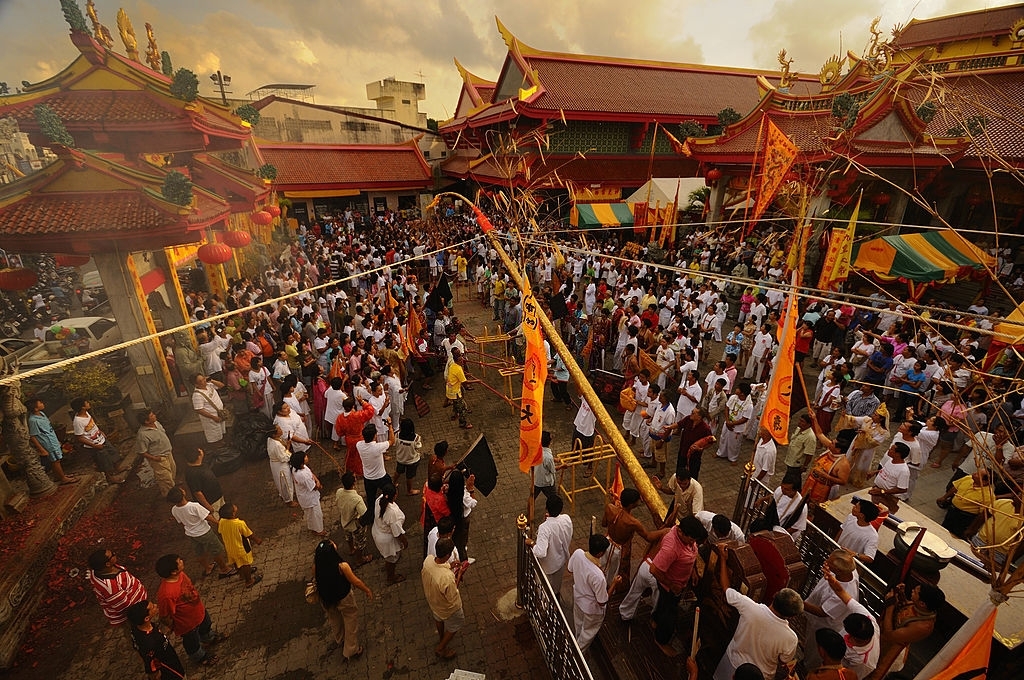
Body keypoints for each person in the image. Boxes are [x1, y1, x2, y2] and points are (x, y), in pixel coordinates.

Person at [713, 542, 802, 680]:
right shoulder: (791, 638)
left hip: (733, 663)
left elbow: (726, 589)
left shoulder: (749, 607)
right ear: (792, 616)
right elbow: (783, 660)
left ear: (774, 596)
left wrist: (723, 559)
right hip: (761, 675)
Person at [649, 516, 707, 656]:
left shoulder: (687, 539)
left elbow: (692, 553)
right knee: (670, 614)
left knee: (664, 604)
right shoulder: (671, 548)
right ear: (681, 532)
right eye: (691, 539)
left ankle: (655, 620)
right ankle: (661, 640)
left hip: (679, 583)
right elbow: (654, 569)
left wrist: (693, 571)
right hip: (670, 585)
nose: (693, 543)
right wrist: (672, 585)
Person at [154, 554, 224, 667]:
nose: (182, 561)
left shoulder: (181, 574)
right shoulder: (166, 594)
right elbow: (164, 616)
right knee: (192, 642)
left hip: (199, 611)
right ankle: (199, 657)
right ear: (173, 572)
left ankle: (209, 638)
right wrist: (174, 626)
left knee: (205, 625)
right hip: (187, 625)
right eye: (179, 561)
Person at [866, 584, 944, 680]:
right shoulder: (920, 607)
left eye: (915, 592)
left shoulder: (923, 627)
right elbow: (906, 608)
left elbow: (889, 635)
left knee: (873, 671)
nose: (912, 590)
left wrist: (889, 605)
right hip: (882, 634)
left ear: (922, 604)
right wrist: (902, 595)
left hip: (890, 646)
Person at [313, 539, 373, 661]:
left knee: (334, 619)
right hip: (343, 598)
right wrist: (367, 590)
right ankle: (351, 649)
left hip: (327, 599)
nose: (334, 544)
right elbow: (355, 581)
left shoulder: (316, 566)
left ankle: (341, 639)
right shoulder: (342, 566)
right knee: (350, 619)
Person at [601, 488, 669, 589]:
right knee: (613, 574)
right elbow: (648, 537)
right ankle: (608, 590)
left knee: (602, 567)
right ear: (631, 505)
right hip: (618, 551)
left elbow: (604, 524)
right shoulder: (633, 522)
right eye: (637, 501)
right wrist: (664, 531)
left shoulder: (610, 507)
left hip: (606, 542)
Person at [567, 534, 621, 653]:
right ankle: (577, 653)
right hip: (591, 609)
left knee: (579, 624)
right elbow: (602, 601)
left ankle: (577, 641)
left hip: (578, 598)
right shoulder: (598, 576)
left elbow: (570, 569)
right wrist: (614, 584)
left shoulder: (578, 553)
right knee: (587, 633)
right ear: (600, 553)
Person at [166, 485, 233, 578]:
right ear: (183, 493)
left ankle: (207, 568)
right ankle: (225, 569)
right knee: (215, 550)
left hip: (191, 534)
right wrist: (219, 523)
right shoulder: (194, 506)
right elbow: (207, 516)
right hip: (204, 532)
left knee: (199, 552)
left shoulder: (174, 510)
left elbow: (181, 521)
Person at [421, 537, 465, 659]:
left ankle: (441, 637)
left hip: (433, 601)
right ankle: (440, 648)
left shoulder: (428, 560)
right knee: (456, 625)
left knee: (438, 618)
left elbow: (437, 569)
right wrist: (459, 574)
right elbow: (452, 595)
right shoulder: (447, 577)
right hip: (448, 608)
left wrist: (449, 566)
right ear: (447, 555)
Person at [526, 493, 574, 597]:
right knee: (556, 588)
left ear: (546, 508)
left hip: (548, 566)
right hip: (561, 560)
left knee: (544, 591)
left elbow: (540, 552)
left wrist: (532, 543)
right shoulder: (566, 519)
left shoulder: (545, 528)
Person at [87, 548, 148, 627]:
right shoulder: (111, 588)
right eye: (112, 555)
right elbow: (125, 606)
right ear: (107, 564)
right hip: (135, 612)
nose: (115, 554)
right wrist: (142, 614)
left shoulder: (101, 570)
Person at [126, 600, 185, 680]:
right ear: (146, 618)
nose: (156, 605)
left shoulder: (136, 628)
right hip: (167, 666)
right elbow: (150, 663)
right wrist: (155, 673)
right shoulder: (149, 642)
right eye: (152, 607)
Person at [71, 397, 125, 484]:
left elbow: (93, 424)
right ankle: (110, 478)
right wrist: (94, 445)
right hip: (95, 444)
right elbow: (79, 437)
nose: (88, 403)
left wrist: (100, 431)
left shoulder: (86, 413)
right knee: (104, 461)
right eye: (86, 402)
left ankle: (117, 468)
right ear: (82, 407)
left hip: (101, 438)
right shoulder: (78, 422)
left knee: (112, 452)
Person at [27, 398, 77, 485]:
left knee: (57, 460)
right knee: (55, 461)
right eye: (40, 403)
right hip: (47, 444)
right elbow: (33, 436)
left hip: (53, 440)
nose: (42, 403)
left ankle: (58, 476)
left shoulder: (42, 414)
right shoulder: (33, 421)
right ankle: (63, 478)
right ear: (35, 408)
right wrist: (41, 449)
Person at [936, 469, 995, 538]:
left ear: (985, 482)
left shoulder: (988, 496)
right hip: (952, 511)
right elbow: (955, 488)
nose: (974, 473)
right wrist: (944, 497)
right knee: (943, 529)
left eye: (977, 474)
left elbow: (982, 516)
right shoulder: (968, 478)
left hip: (964, 518)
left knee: (955, 536)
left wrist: (971, 529)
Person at [357, 420, 395, 526]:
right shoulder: (377, 448)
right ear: (374, 436)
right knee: (390, 491)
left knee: (370, 499)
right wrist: (390, 427)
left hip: (368, 478)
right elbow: (392, 441)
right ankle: (387, 507)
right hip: (381, 476)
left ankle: (370, 518)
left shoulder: (359, 445)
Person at [217, 501, 262, 588]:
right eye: (233, 507)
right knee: (245, 563)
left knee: (236, 562)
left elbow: (220, 531)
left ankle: (242, 575)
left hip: (230, 548)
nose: (234, 506)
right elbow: (249, 535)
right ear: (233, 513)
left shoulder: (222, 521)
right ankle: (249, 581)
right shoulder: (239, 523)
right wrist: (257, 540)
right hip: (241, 548)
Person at [371, 483, 408, 585]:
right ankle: (391, 577)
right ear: (395, 495)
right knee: (391, 559)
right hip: (387, 540)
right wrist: (405, 542)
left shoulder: (379, 499)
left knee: (390, 557)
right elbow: (397, 533)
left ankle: (389, 568)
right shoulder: (392, 513)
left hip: (378, 531)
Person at [136, 410, 177, 496]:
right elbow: (142, 452)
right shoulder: (142, 435)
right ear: (146, 421)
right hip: (158, 458)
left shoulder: (157, 423)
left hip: (168, 453)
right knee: (165, 478)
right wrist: (155, 458)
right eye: (152, 416)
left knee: (172, 472)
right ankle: (169, 495)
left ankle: (173, 488)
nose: (154, 415)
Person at [335, 471, 372, 565]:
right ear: (354, 483)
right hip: (354, 525)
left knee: (348, 537)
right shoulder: (357, 499)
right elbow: (364, 513)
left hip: (344, 521)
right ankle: (360, 559)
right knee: (360, 543)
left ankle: (351, 549)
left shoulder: (339, 492)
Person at [334, 394, 376, 477]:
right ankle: (360, 471)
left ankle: (351, 470)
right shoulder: (357, 415)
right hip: (359, 438)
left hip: (349, 439)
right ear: (353, 406)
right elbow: (370, 411)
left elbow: (339, 432)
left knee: (351, 455)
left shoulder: (340, 418)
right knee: (360, 455)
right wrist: (362, 402)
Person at [290, 450, 327, 537]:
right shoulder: (303, 475)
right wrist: (318, 484)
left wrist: (317, 480)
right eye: (305, 457)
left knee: (311, 514)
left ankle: (313, 527)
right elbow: (313, 487)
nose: (307, 457)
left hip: (305, 496)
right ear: (301, 462)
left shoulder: (298, 468)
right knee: (315, 514)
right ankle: (318, 530)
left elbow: (311, 473)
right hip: (309, 498)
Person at [868, 441, 910, 513]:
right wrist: (875, 472)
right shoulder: (891, 460)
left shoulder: (903, 471)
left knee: (880, 513)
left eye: (891, 449)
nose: (889, 450)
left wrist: (882, 491)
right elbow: (885, 470)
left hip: (887, 497)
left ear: (898, 454)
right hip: (877, 491)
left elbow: (903, 489)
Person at [674, 406, 715, 480]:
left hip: (694, 457)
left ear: (699, 417)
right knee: (679, 472)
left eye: (693, 413)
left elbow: (711, 441)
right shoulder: (688, 419)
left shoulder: (705, 428)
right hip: (683, 452)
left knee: (692, 476)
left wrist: (701, 448)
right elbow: (679, 424)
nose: (691, 414)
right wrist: (669, 427)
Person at [836, 498, 880, 565]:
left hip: (847, 564)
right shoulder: (851, 517)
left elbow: (869, 558)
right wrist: (834, 543)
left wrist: (855, 554)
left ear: (861, 515)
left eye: (856, 507)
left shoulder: (872, 536)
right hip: (836, 554)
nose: (853, 507)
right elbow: (842, 530)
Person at [182, 448, 224, 517]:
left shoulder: (199, 465)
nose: (201, 450)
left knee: (225, 513)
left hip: (217, 496)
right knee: (216, 518)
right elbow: (197, 493)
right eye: (199, 451)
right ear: (199, 456)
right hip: (211, 502)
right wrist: (208, 507)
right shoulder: (192, 474)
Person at [718, 383, 753, 464]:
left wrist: (732, 424)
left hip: (737, 428)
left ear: (742, 393)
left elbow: (745, 419)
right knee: (723, 438)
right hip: (727, 423)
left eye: (738, 389)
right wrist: (727, 421)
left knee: (734, 443)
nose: (736, 389)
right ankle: (721, 453)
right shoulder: (733, 397)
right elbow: (727, 408)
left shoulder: (749, 405)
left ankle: (733, 458)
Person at [191, 374, 228, 448]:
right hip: (211, 419)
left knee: (222, 433)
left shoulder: (209, 385)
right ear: (196, 384)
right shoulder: (197, 395)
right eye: (201, 381)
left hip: (220, 414)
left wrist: (211, 380)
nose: (204, 381)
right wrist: (213, 417)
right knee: (215, 437)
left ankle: (223, 446)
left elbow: (222, 386)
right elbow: (199, 410)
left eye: (204, 378)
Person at [267, 425, 297, 507]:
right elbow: (284, 458)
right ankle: (288, 500)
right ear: (274, 434)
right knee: (285, 481)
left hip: (275, 463)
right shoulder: (277, 445)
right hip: (280, 465)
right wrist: (288, 447)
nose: (281, 430)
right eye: (279, 429)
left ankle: (285, 495)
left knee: (280, 481)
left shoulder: (271, 439)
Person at [393, 417, 422, 497]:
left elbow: (395, 444)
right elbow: (418, 447)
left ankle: (393, 483)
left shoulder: (397, 435)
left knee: (398, 471)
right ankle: (409, 490)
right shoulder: (416, 438)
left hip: (400, 459)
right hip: (412, 461)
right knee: (409, 476)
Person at [446, 347, 472, 429]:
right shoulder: (458, 368)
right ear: (457, 360)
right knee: (463, 408)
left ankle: (455, 414)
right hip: (455, 391)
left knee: (456, 403)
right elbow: (465, 382)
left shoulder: (453, 365)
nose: (462, 361)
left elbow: (458, 375)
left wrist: (466, 374)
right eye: (461, 360)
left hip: (451, 388)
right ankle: (463, 424)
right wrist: (477, 381)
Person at [532, 431, 558, 501]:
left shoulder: (535, 449)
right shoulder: (548, 457)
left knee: (532, 498)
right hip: (546, 482)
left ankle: (529, 508)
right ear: (549, 442)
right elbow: (553, 470)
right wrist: (563, 466)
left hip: (536, 479)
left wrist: (553, 459)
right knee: (554, 499)